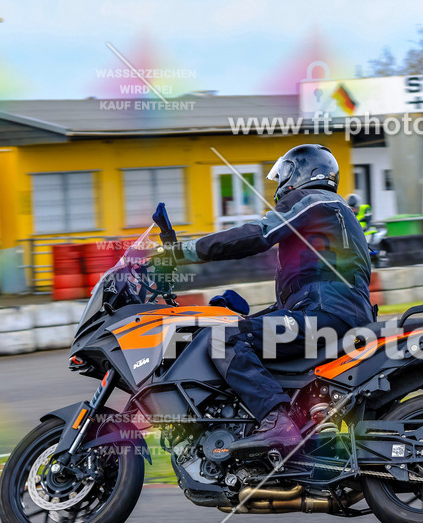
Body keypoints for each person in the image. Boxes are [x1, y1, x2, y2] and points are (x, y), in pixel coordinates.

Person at [150, 144, 373, 454]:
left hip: (324, 316)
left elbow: (257, 234)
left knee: (221, 340)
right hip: (336, 316)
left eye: (283, 175)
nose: (279, 184)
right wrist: (247, 319)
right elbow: (304, 293)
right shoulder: (337, 213)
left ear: (301, 174)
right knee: (241, 331)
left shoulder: (311, 200)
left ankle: (277, 422)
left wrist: (183, 251)